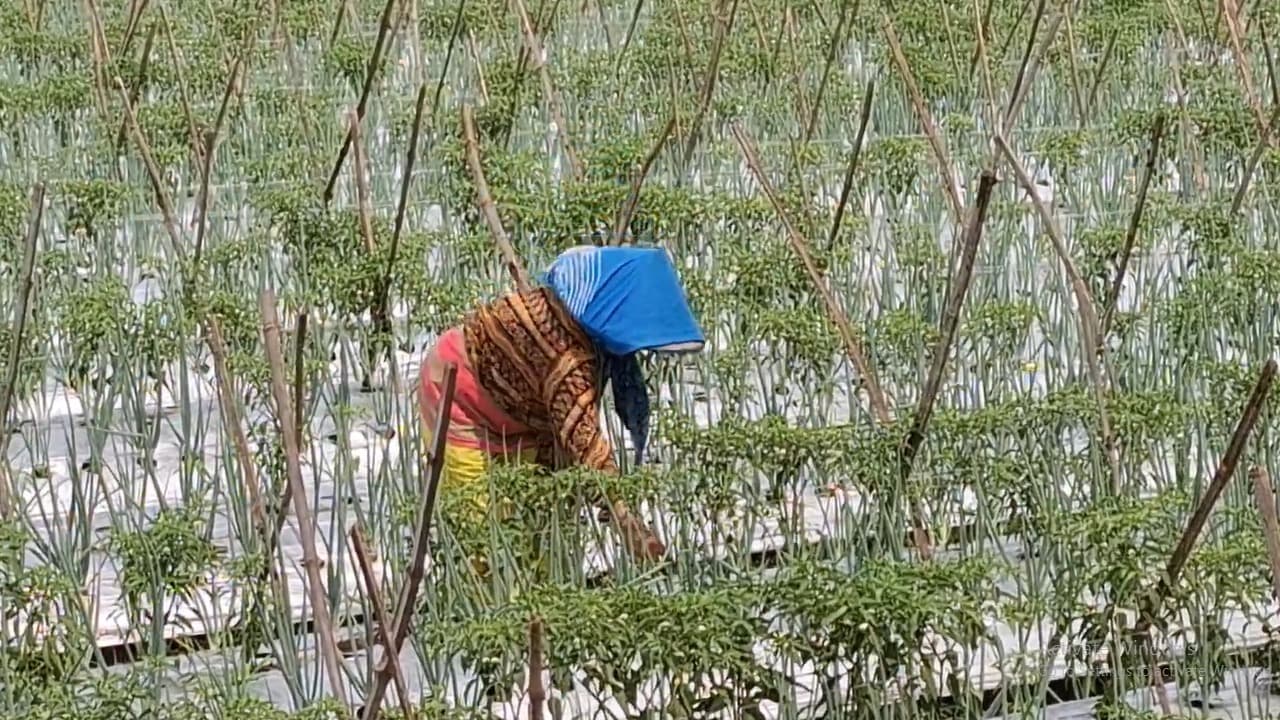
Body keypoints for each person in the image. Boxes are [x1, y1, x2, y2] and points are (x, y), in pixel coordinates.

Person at [416, 244, 706, 563]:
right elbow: (584, 444)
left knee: (533, 529)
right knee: (482, 539)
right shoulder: (567, 359)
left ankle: (535, 604)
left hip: (519, 412)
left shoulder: (576, 307)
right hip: (458, 396)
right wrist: (628, 522)